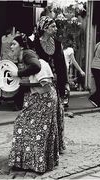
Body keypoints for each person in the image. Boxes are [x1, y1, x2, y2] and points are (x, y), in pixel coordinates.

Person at [8, 34, 59, 174]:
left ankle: (35, 164)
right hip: (41, 96)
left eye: (13, 44)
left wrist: (18, 74)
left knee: (34, 129)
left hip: (44, 97)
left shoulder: (27, 54)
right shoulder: (26, 55)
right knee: (32, 128)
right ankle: (30, 162)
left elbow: (36, 68)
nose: (11, 47)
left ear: (21, 46)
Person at [34, 16, 69, 153]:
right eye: (53, 26)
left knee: (57, 114)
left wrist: (65, 82)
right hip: (41, 83)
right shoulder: (35, 43)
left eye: (55, 26)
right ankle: (43, 144)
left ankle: (56, 145)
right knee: (43, 114)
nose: (56, 29)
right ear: (45, 28)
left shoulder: (58, 44)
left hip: (56, 83)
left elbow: (62, 65)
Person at [63, 34, 85, 107]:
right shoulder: (70, 50)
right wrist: (81, 70)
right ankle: (65, 101)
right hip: (65, 68)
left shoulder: (62, 48)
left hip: (60, 68)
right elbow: (74, 61)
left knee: (63, 84)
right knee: (66, 85)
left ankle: (63, 101)